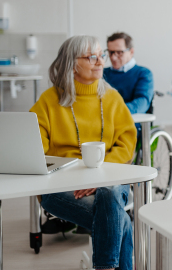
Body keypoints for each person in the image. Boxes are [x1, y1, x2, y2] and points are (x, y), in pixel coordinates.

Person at [30, 35, 137, 270]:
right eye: (92, 57)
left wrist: (97, 177)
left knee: (109, 193)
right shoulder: (49, 101)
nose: (101, 62)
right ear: (72, 64)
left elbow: (127, 143)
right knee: (122, 222)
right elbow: (35, 149)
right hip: (60, 186)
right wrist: (79, 175)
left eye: (102, 56)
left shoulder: (112, 98)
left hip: (111, 178)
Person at [103, 32, 154, 115]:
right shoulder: (102, 73)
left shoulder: (143, 73)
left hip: (131, 122)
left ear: (131, 52)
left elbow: (142, 103)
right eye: (111, 52)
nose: (113, 57)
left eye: (119, 52)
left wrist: (113, 112)